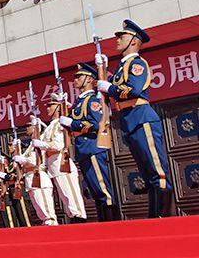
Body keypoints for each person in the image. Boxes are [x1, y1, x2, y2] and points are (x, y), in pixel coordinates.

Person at [95, 19, 175, 218]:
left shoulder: (137, 63)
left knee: (156, 170)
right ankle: (154, 217)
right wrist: (102, 68)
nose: (117, 40)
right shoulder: (121, 68)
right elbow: (107, 88)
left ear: (133, 40)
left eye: (122, 37)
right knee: (147, 173)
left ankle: (164, 217)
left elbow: (134, 89)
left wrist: (109, 88)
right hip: (129, 120)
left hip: (141, 118)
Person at [61, 63, 118, 221]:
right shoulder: (79, 102)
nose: (75, 80)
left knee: (102, 189)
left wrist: (73, 123)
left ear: (88, 79)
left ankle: (112, 224)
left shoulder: (92, 100)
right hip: (83, 149)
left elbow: (96, 124)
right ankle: (103, 223)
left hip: (92, 147)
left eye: (79, 77)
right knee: (95, 191)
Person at [34, 92, 88, 223]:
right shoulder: (50, 126)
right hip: (53, 166)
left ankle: (80, 221)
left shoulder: (60, 124)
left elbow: (58, 145)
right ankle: (74, 221)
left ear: (58, 107)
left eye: (50, 106)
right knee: (65, 198)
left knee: (72, 197)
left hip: (62, 163)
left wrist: (41, 144)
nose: (47, 108)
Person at [13, 122, 57, 226]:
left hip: (39, 177)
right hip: (30, 179)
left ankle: (52, 226)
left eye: (29, 126)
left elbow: (34, 161)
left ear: (36, 128)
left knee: (46, 209)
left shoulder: (40, 141)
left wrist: (22, 160)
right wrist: (17, 150)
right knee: (39, 208)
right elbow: (18, 163)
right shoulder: (31, 145)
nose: (27, 128)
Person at [4, 139, 33, 227]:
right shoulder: (12, 162)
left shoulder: (21, 159)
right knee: (18, 215)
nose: (9, 147)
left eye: (11, 145)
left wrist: (6, 176)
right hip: (13, 190)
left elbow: (17, 175)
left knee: (24, 216)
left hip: (20, 188)